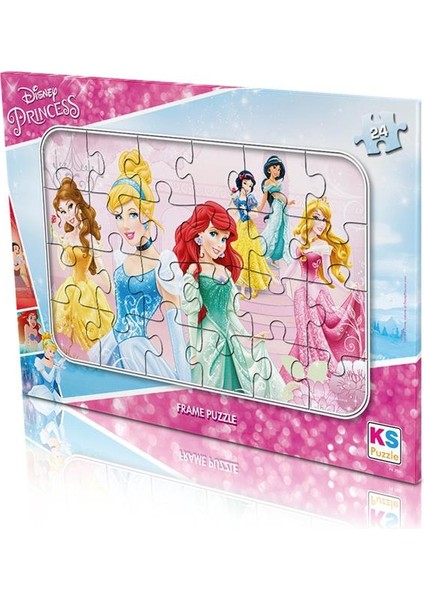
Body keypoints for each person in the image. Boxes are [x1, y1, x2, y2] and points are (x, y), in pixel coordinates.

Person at [88, 149, 190, 381]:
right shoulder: (121, 259)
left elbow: (177, 335)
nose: (124, 225)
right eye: (118, 216)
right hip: (109, 347)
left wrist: (187, 385)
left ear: (146, 213)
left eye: (132, 214)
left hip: (137, 354)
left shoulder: (164, 267)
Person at [174, 200, 285, 400]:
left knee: (239, 383)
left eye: (224, 239)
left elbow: (230, 313)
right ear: (199, 234)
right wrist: (194, 349)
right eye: (214, 234)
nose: (219, 244)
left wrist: (249, 337)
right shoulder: (194, 271)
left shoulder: (224, 271)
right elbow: (192, 314)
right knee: (208, 392)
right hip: (207, 341)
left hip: (230, 338)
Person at [281, 197, 366, 379]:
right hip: (300, 296)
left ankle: (318, 371)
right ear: (308, 217)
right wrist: (281, 279)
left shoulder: (324, 246)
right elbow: (293, 266)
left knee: (317, 333)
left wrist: (347, 288)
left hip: (317, 295)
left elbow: (328, 275)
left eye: (325, 219)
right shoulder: (300, 241)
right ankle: (304, 369)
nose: (321, 223)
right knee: (304, 334)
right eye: (317, 217)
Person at [52, 177, 114, 351]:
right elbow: (64, 264)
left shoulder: (89, 238)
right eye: (62, 211)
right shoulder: (67, 236)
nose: (68, 214)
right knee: (64, 328)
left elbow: (100, 267)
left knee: (90, 328)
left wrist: (113, 289)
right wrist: (61, 244)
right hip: (69, 289)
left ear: (78, 203)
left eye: (70, 206)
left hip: (87, 291)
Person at [229, 170, 273, 299]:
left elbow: (256, 214)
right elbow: (232, 212)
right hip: (240, 228)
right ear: (240, 183)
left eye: (250, 185)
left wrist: (247, 212)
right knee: (241, 256)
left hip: (250, 228)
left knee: (252, 256)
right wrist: (232, 200)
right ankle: (242, 289)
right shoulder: (236, 198)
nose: (248, 187)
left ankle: (254, 286)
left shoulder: (251, 198)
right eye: (245, 183)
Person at [258, 155, 295, 269]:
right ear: (269, 169)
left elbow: (279, 195)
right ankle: (261, 251)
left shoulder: (277, 182)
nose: (277, 171)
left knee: (281, 230)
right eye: (274, 168)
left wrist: (286, 203)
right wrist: (259, 208)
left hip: (281, 208)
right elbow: (273, 195)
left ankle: (274, 258)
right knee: (272, 229)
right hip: (276, 208)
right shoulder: (267, 182)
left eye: (279, 169)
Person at [28, 333, 64, 401]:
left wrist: (58, 371)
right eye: (50, 351)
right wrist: (54, 368)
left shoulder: (54, 362)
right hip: (43, 391)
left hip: (52, 392)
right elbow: (49, 379)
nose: (52, 354)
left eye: (53, 352)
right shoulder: (39, 362)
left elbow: (58, 381)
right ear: (45, 350)